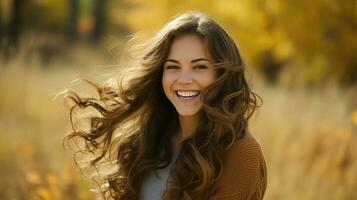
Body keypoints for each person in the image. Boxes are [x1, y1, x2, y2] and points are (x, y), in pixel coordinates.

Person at [64, 11, 267, 200]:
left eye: (199, 67)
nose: (184, 79)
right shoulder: (151, 138)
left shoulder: (241, 152)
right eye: (173, 67)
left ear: (222, 74)